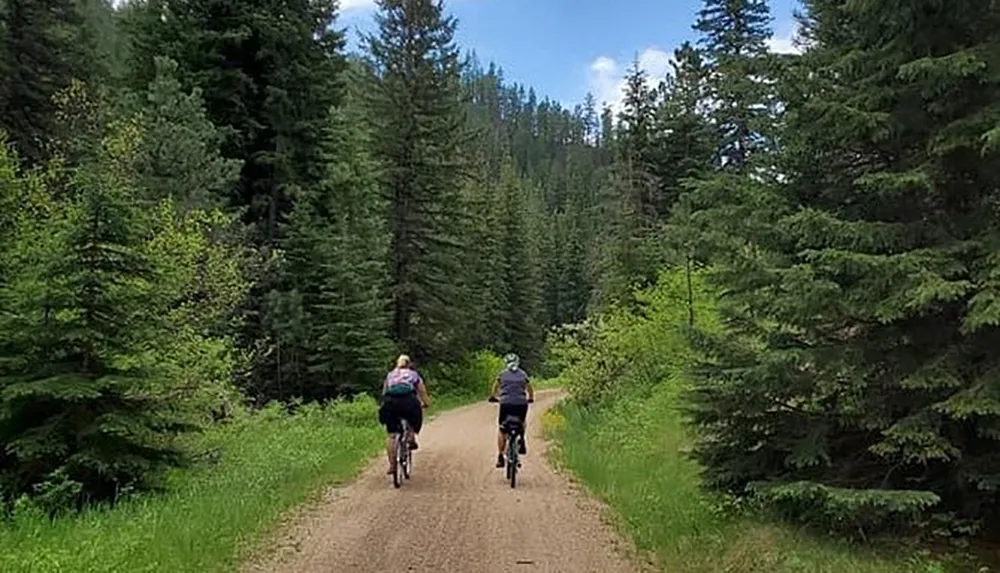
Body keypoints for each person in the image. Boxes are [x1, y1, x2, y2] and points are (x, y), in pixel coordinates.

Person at [379, 354, 430, 475]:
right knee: (414, 417)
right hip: (408, 400)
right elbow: (421, 391)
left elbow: (385, 392)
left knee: (391, 435)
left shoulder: (390, 375)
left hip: (391, 401)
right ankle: (411, 437)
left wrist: (384, 406)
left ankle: (392, 465)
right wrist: (426, 403)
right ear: (409, 364)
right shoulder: (413, 374)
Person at [489, 353, 534, 468]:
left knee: (502, 428)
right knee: (522, 422)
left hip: (505, 403)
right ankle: (522, 440)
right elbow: (529, 388)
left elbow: (495, 386)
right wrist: (530, 398)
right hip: (521, 404)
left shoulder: (502, 374)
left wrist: (493, 397)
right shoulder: (523, 374)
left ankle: (500, 456)